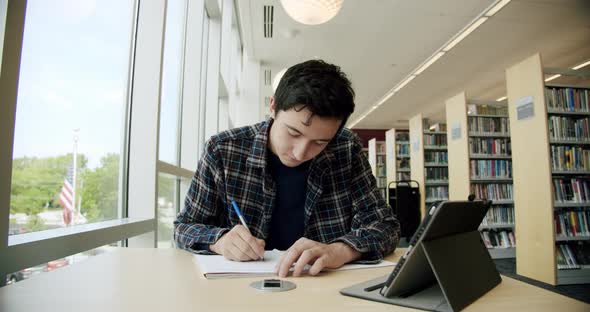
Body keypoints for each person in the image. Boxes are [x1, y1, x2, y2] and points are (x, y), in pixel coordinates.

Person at [174, 59, 400, 278]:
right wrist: (219, 240)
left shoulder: (346, 148)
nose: (301, 153)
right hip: (241, 289)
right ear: (273, 106)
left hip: (323, 286)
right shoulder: (222, 150)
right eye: (293, 133)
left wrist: (340, 250)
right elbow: (184, 228)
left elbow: (385, 226)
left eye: (320, 142)